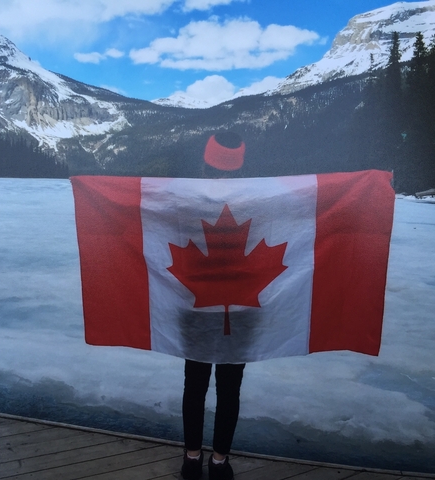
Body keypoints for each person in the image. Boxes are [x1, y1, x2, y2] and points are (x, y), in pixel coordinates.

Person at [180, 131, 247, 480]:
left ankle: (193, 459)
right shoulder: (256, 202)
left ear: (203, 166)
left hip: (196, 305)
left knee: (196, 383)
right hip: (239, 308)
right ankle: (217, 462)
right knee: (228, 387)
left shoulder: (185, 201)